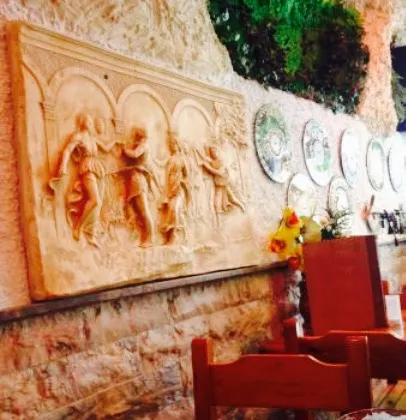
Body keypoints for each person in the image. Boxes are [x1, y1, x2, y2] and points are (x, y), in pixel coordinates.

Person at [57, 114, 118, 246]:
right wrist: (63, 165)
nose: (90, 124)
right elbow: (67, 150)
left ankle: (91, 233)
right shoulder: (78, 137)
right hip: (86, 167)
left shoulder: (92, 138)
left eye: (91, 122)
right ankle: (78, 227)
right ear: (82, 122)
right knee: (95, 200)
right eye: (88, 121)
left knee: (99, 203)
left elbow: (106, 148)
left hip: (97, 169)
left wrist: (116, 140)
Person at [122, 128, 159, 247]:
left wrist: (125, 149)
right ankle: (141, 235)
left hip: (139, 180)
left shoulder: (144, 145)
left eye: (135, 136)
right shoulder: (143, 145)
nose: (134, 139)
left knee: (144, 210)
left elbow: (134, 154)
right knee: (138, 210)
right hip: (136, 179)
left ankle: (150, 238)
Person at [160, 132, 190, 245]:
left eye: (174, 144)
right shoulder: (170, 159)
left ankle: (173, 237)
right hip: (170, 187)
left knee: (174, 209)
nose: (172, 146)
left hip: (179, 188)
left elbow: (187, 176)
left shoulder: (182, 159)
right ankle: (173, 237)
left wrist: (181, 181)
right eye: (171, 144)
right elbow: (165, 172)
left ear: (178, 144)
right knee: (172, 211)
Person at [197, 146, 245, 217]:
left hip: (224, 184)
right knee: (216, 204)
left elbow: (219, 173)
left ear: (217, 152)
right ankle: (218, 221)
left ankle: (242, 206)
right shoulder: (212, 161)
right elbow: (205, 158)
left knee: (232, 199)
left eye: (214, 152)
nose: (213, 153)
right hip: (218, 185)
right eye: (211, 152)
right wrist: (197, 152)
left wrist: (206, 166)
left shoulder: (221, 161)